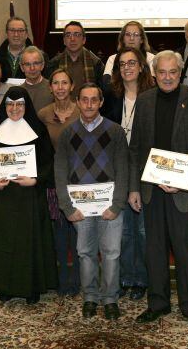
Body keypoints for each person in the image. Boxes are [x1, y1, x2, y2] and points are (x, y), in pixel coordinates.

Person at [128, 50, 188, 332]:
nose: (167, 77)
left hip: (183, 191)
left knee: (184, 250)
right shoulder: (143, 101)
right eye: (162, 72)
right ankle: (157, 303)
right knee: (154, 251)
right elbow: (136, 148)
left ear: (181, 73)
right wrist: (134, 188)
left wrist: (184, 178)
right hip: (151, 189)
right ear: (154, 75)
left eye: (173, 72)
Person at [0, 87, 58, 303]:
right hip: (3, 198)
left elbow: (50, 163)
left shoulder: (37, 130)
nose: (14, 109)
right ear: (5, 107)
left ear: (26, 106)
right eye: (10, 104)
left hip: (30, 198)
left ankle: (32, 288)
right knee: (4, 242)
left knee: (29, 242)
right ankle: (5, 286)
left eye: (19, 104)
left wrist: (36, 179)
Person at [55, 83, 129, 320]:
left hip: (110, 206)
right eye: (84, 100)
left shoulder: (116, 131)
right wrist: (67, 207)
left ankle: (110, 299)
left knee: (111, 253)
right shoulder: (67, 133)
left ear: (101, 102)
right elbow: (60, 171)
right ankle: (90, 297)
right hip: (80, 208)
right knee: (85, 253)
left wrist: (117, 205)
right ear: (77, 101)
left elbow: (123, 169)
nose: (88, 104)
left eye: (93, 100)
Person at [102, 47, 154, 300]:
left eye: (132, 63)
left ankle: (142, 279)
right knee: (122, 230)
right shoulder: (110, 97)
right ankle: (124, 278)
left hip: (146, 168)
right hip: (117, 167)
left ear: (142, 66)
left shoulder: (152, 96)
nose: (127, 68)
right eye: (122, 64)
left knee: (142, 230)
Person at [37, 68, 81, 296]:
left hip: (80, 180)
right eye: (56, 83)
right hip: (54, 181)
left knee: (78, 230)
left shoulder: (82, 110)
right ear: (50, 87)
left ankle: (78, 278)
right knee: (59, 231)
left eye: (65, 83)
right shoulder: (43, 114)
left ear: (72, 86)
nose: (61, 87)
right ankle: (62, 277)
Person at [46, 21, 105, 94]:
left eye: (77, 35)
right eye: (68, 35)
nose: (72, 39)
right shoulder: (54, 64)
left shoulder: (96, 63)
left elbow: (101, 93)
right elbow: (49, 92)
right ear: (64, 41)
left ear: (84, 40)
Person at [21, 46, 54, 111]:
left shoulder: (53, 89)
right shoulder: (18, 92)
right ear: (22, 68)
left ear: (42, 65)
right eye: (27, 64)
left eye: (36, 63)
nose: (32, 68)